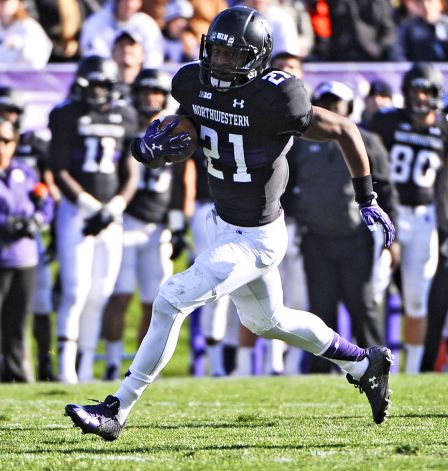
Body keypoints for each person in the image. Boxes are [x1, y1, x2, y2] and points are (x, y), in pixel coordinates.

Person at [65, 6, 395, 440]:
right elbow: (191, 125)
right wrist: (160, 141)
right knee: (269, 320)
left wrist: (366, 197)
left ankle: (116, 409)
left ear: (257, 59)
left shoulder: (277, 98)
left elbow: (345, 131)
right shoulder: (192, 81)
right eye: (215, 51)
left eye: (232, 55)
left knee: (170, 298)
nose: (220, 62)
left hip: (257, 236)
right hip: (221, 222)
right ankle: (362, 362)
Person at [289, 80, 399, 374]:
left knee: (363, 309)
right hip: (315, 239)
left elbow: (386, 190)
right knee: (320, 313)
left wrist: (394, 237)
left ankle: (378, 369)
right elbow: (286, 185)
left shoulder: (367, 140)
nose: (330, 109)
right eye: (324, 103)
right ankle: (319, 377)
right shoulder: (299, 142)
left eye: (336, 104)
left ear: (350, 108)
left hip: (356, 240)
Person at [49, 55, 139, 384]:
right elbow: (58, 169)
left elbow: (130, 172)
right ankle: (66, 368)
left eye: (104, 84)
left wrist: (114, 207)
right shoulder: (65, 114)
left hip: (110, 215)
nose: (97, 91)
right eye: (93, 83)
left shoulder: (126, 115)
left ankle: (85, 366)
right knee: (76, 290)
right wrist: (89, 206)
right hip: (77, 212)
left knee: (100, 291)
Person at [101, 68, 193, 380]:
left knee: (154, 302)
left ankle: (140, 368)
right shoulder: (126, 126)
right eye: (145, 92)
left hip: (159, 225)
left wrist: (179, 222)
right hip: (128, 220)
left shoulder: (172, 128)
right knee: (121, 294)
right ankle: (113, 361)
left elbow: (184, 178)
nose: (150, 98)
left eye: (156, 92)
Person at [369, 62, 446, 373]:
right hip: (389, 214)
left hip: (424, 217)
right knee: (374, 287)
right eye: (415, 90)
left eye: (426, 91)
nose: (420, 97)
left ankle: (412, 370)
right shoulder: (387, 123)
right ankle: (370, 363)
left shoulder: (443, 129)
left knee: (416, 300)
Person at [0, 85, 59, 381]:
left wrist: (38, 221)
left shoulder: (29, 161)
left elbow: (47, 196)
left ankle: (36, 368)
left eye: (11, 113)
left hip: (26, 252)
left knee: (29, 313)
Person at [79, 0, 164, 69]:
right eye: (125, 1)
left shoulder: (147, 24)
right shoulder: (96, 22)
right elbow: (92, 59)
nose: (129, 5)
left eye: (134, 1)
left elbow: (154, 60)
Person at [0, 0, 53, 69]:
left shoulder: (28, 25)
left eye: (6, 1)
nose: (3, 4)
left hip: (24, 76)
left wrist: (20, 43)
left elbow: (42, 52)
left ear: (18, 3)